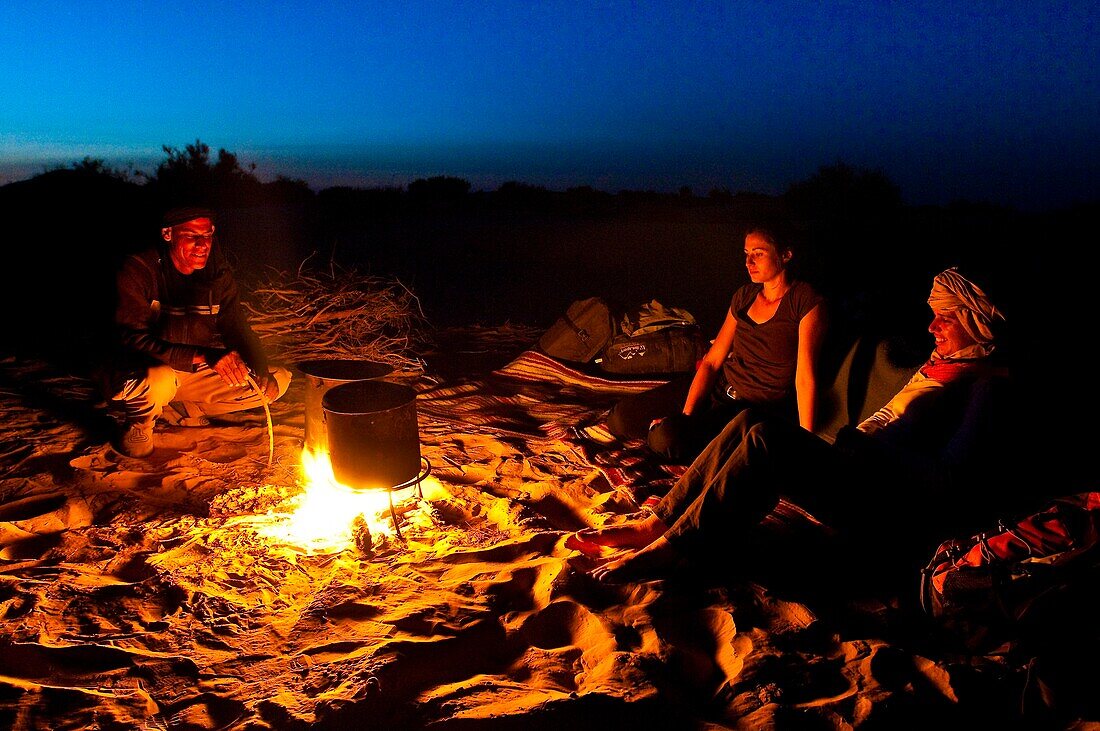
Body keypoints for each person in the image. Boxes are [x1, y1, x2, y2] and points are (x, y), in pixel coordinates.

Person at [576, 267, 1010, 584]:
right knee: (750, 418)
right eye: (933, 315)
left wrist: (877, 452)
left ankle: (677, 547)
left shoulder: (984, 386)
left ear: (976, 323)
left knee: (766, 439)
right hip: (856, 462)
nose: (932, 326)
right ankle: (658, 522)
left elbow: (950, 477)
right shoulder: (943, 364)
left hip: (881, 495)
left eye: (946, 318)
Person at [605, 225, 826, 464]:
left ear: (785, 255)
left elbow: (805, 377)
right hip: (720, 387)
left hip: (751, 408)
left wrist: (807, 444)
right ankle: (676, 431)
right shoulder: (744, 296)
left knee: (666, 440)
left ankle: (671, 435)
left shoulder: (804, 301)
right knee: (620, 418)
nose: (749, 262)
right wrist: (687, 415)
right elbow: (711, 362)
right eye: (746, 253)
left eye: (758, 253)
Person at [101, 206, 292, 458]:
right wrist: (206, 356)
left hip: (189, 372)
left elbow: (236, 327)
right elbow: (133, 340)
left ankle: (183, 409)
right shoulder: (139, 269)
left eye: (208, 235)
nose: (203, 244)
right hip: (139, 370)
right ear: (168, 234)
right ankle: (139, 424)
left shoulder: (217, 274)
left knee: (279, 380)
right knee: (159, 379)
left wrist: (261, 368)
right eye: (192, 236)